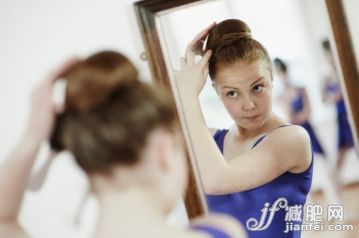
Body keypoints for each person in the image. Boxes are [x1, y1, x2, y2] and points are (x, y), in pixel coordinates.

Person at [0, 51, 247, 238]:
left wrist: (32, 137)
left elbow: (3, 220)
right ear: (164, 150)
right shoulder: (219, 231)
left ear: (87, 162)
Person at [175, 19, 313, 238]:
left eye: (257, 87)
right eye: (232, 93)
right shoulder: (210, 142)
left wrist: (187, 95)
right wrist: (186, 79)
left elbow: (218, 181)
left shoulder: (292, 139)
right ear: (216, 92)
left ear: (272, 78)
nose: (248, 105)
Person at [274, 57, 340, 204]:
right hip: (294, 137)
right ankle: (313, 214)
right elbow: (288, 117)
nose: (283, 76)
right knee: (301, 177)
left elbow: (307, 112)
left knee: (325, 169)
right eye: (280, 73)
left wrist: (297, 116)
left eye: (284, 72)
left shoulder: (301, 89)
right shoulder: (280, 96)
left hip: (310, 133)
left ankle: (337, 207)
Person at [321, 39, 354, 172]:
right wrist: (332, 97)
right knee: (340, 156)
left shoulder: (347, 72)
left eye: (332, 56)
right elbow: (324, 99)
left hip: (352, 112)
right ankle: (336, 189)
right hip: (341, 117)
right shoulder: (327, 79)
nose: (331, 59)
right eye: (328, 57)